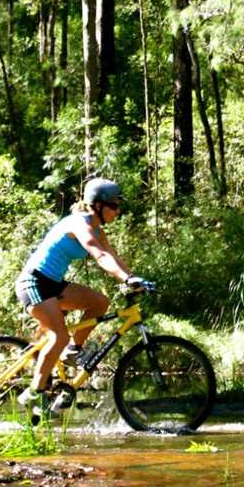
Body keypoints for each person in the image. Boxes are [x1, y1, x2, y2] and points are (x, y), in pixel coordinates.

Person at [15, 177, 152, 414]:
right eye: (114, 206)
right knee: (58, 335)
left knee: (100, 302)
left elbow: (111, 255)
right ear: (98, 205)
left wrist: (133, 278)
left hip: (53, 285)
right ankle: (34, 394)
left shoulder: (98, 229)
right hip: (34, 282)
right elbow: (99, 255)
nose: (118, 212)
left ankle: (72, 350)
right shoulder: (80, 224)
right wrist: (127, 279)